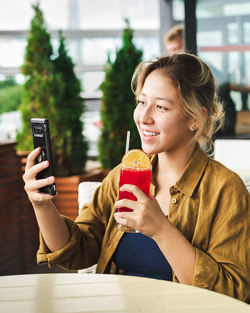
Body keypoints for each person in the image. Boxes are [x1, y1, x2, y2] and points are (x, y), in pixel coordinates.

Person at [23, 53, 250, 303]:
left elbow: (233, 294)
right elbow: (76, 251)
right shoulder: (123, 175)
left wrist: (162, 230)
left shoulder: (225, 189)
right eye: (142, 102)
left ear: (194, 119)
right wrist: (42, 205)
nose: (143, 117)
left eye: (161, 106)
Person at [164, 24, 250, 136]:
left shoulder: (201, 67)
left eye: (177, 48)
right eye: (171, 50)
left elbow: (225, 83)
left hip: (220, 119)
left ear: (188, 43)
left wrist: (244, 89)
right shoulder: (177, 72)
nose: (174, 53)